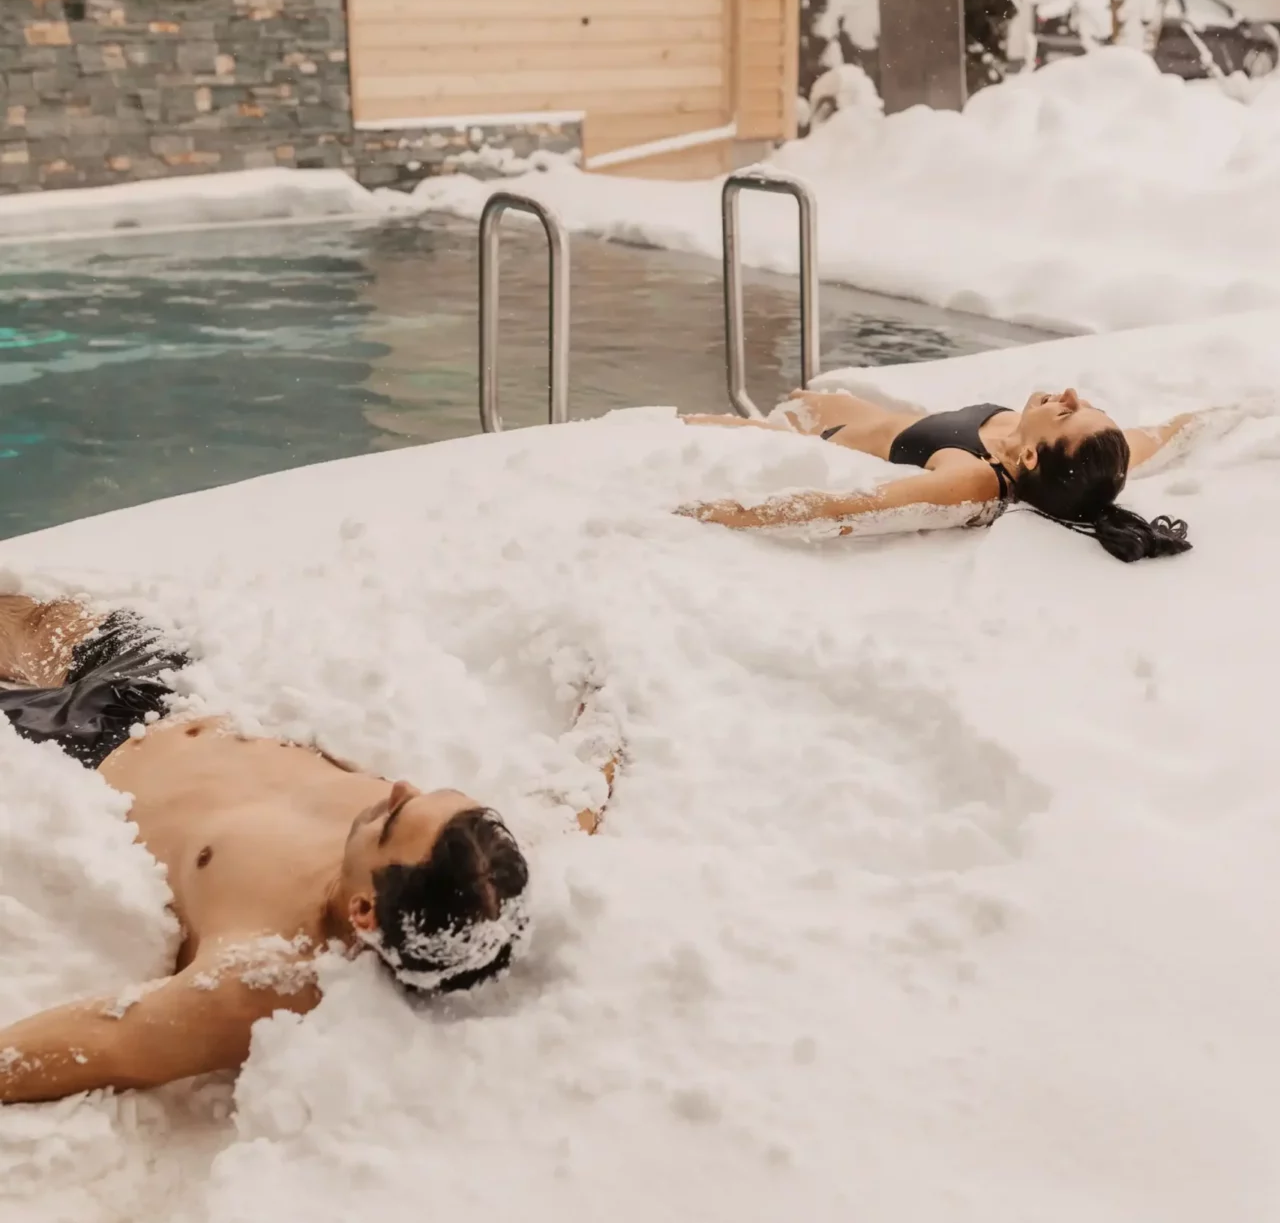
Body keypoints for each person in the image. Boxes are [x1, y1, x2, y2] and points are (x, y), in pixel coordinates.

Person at [0, 596, 619, 1105]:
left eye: (392, 818)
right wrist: (608, 700)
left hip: (73, 754)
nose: (399, 787)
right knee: (33, 617)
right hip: (177, 693)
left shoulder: (262, 972)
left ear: (365, 913)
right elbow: (578, 794)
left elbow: (109, 1042)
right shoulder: (477, 864)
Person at [677, 388, 1196, 562]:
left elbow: (850, 508)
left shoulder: (975, 479)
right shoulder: (1100, 454)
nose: (1070, 395)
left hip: (797, 437)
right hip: (831, 408)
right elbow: (1167, 432)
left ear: (1032, 459)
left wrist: (720, 514)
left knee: (659, 427)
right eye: (1083, 406)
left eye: (1066, 413)